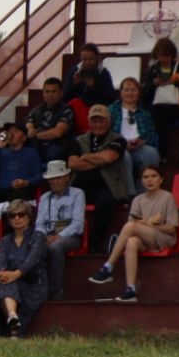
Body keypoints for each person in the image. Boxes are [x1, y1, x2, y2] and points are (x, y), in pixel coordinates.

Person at [87, 163, 178, 303]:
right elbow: (130, 228)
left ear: (161, 179)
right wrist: (146, 223)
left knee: (131, 227)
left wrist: (149, 225)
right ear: (142, 181)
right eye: (146, 177)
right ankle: (130, 289)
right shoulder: (138, 199)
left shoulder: (167, 197)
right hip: (143, 237)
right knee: (131, 242)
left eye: (153, 176)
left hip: (163, 238)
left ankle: (108, 267)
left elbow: (171, 229)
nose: (149, 180)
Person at [68, 105, 128, 250]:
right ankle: (69, 241)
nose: (97, 124)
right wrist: (99, 160)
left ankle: (93, 244)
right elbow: (73, 163)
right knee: (66, 200)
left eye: (101, 121)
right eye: (94, 121)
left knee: (106, 203)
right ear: (89, 122)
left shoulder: (118, 140)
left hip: (106, 185)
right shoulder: (79, 140)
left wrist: (86, 157)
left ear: (108, 121)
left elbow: (109, 157)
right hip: (80, 184)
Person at [0, 199, 50, 337]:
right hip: (13, 283)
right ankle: (13, 318)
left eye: (21, 214)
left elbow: (32, 261)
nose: (17, 218)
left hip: (34, 284)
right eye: (12, 215)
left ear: (28, 217)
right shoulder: (5, 240)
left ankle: (13, 325)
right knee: (7, 283)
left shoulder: (38, 237)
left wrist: (15, 274)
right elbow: (0, 261)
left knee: (8, 284)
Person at [32, 159, 85, 299]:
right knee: (34, 244)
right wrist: (44, 237)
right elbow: (39, 223)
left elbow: (78, 224)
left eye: (58, 178)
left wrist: (59, 236)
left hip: (70, 236)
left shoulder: (77, 193)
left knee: (55, 247)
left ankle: (57, 291)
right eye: (51, 179)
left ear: (66, 177)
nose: (54, 181)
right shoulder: (44, 197)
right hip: (48, 235)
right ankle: (36, 289)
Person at [108, 76, 160, 189]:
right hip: (119, 146)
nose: (130, 93)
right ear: (120, 93)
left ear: (139, 93)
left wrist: (142, 142)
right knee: (124, 155)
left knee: (151, 153)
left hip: (138, 147)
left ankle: (144, 192)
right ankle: (129, 194)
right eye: (126, 90)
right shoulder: (111, 110)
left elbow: (151, 136)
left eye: (133, 90)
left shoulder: (145, 114)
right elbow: (107, 134)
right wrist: (122, 144)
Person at [143, 37, 179, 137]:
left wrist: (176, 82)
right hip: (157, 107)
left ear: (172, 55)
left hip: (178, 106)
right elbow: (146, 94)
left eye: (167, 56)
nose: (164, 59)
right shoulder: (152, 70)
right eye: (161, 56)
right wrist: (154, 84)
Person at [0, 121, 43, 207]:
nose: (11, 133)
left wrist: (26, 182)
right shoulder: (3, 152)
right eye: (9, 131)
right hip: (3, 191)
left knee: (17, 197)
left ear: (24, 137)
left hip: (21, 192)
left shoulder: (31, 152)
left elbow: (39, 176)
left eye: (15, 131)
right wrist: (0, 146)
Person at [27, 76, 74, 159]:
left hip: (57, 146)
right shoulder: (37, 109)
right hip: (37, 146)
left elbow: (57, 132)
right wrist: (30, 129)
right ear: (43, 93)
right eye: (47, 92)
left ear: (61, 93)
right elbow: (29, 122)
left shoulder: (67, 109)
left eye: (54, 91)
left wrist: (35, 135)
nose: (50, 95)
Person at [63, 43, 116, 109]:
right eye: (84, 60)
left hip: (98, 108)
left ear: (97, 58)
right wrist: (74, 84)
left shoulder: (103, 73)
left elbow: (111, 98)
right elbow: (65, 97)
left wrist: (94, 86)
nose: (87, 63)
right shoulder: (74, 72)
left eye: (90, 60)